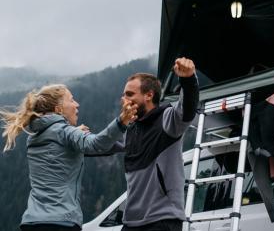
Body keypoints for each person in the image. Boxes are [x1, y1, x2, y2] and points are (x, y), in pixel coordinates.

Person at [0, 84, 137, 231]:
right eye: (71, 100)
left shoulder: (34, 137)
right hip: (60, 222)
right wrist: (121, 122)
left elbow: (63, 149)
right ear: (58, 109)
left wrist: (74, 135)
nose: (77, 104)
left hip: (32, 222)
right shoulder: (65, 133)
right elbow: (96, 144)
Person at [116, 57, 199, 231]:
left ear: (149, 95)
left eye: (129, 94)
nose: (123, 99)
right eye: (124, 94)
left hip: (162, 220)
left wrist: (188, 79)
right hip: (131, 222)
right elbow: (100, 145)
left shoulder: (168, 119)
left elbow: (187, 110)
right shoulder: (130, 129)